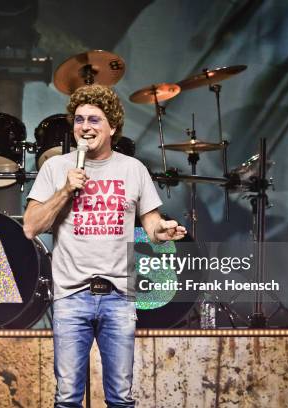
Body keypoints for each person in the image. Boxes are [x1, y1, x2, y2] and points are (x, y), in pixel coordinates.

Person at [23, 84, 186, 407]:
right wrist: (65, 191)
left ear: (112, 126)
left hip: (119, 298)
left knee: (121, 399)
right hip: (71, 295)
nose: (85, 127)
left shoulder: (133, 169)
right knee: (67, 398)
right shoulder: (56, 168)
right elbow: (31, 226)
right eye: (79, 119)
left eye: (95, 120)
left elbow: (151, 224)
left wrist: (162, 231)